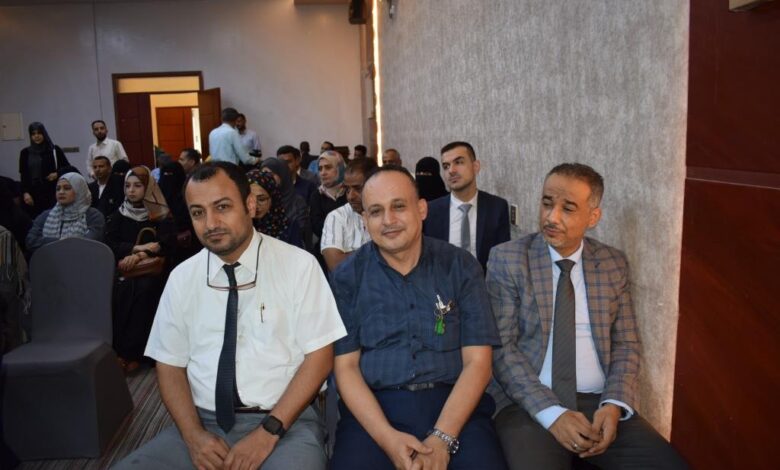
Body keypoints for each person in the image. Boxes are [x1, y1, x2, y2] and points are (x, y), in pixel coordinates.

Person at [114, 162, 346, 470]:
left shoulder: (298, 266)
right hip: (201, 422)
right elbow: (169, 364)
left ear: (250, 205)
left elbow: (320, 358)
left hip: (285, 422)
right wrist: (194, 436)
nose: (211, 223)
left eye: (222, 207)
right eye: (198, 212)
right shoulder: (182, 277)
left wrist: (268, 433)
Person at [487, 163, 688, 470]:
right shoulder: (509, 259)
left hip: (597, 402)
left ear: (593, 217)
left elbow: (626, 344)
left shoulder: (612, 264)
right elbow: (502, 349)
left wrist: (614, 404)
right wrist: (553, 414)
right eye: (546, 203)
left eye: (568, 208)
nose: (552, 217)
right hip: (526, 403)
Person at [329, 166, 507, 470]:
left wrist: (442, 438)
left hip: (455, 407)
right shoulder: (347, 277)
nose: (388, 220)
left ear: (422, 209)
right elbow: (345, 368)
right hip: (374, 412)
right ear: (365, 221)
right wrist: (387, 439)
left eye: (399, 206)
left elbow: (478, 363)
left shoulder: (460, 267)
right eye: (376, 211)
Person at [105, 166, 174, 374]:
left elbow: (166, 244)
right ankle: (121, 352)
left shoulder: (160, 213)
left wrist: (140, 256)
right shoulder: (119, 214)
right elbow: (110, 243)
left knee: (144, 290)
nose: (131, 190)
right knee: (121, 290)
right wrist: (134, 249)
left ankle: (135, 354)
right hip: (125, 269)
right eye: (127, 186)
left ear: (148, 187)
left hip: (153, 271)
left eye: (137, 186)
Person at [423, 141, 510, 273]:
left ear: (475, 167)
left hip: (484, 282)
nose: (451, 171)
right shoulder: (431, 211)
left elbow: (503, 259)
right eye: (446, 166)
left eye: (458, 162)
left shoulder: (497, 208)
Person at [25, 172, 104, 254]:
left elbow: (88, 244)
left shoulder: (93, 216)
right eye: (58, 189)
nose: (61, 192)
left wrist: (55, 243)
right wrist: (61, 241)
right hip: (50, 260)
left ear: (79, 190)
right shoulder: (46, 215)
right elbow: (31, 241)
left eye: (67, 188)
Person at [320, 158, 376, 272]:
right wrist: (383, 251)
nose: (350, 196)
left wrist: (350, 255)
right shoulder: (336, 217)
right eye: (347, 189)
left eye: (358, 188)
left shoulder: (389, 216)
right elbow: (336, 265)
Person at [18, 122, 70, 217]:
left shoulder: (54, 150)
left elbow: (68, 168)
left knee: (53, 218)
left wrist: (57, 174)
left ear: (44, 133)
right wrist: (25, 193)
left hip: (52, 193)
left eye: (39, 133)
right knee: (36, 221)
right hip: (33, 194)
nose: (36, 136)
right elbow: (23, 175)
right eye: (33, 134)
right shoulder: (25, 153)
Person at [260, 158, 311, 249]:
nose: (266, 178)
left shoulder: (297, 202)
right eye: (262, 174)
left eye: (270, 174)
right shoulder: (262, 201)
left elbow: (302, 233)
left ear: (282, 175)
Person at [246, 169, 303, 248]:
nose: (255, 205)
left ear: (273, 198)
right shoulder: (242, 227)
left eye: (261, 199)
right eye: (250, 200)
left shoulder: (288, 227)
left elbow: (298, 254)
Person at [309, 150, 346, 243]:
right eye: (320, 169)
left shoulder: (350, 191)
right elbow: (317, 227)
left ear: (340, 168)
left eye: (328, 167)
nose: (323, 173)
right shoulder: (317, 195)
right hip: (326, 244)